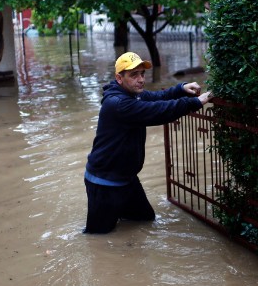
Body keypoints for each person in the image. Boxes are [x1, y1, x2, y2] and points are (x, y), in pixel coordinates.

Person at [83, 52, 213, 234]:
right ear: (119, 78)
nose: (141, 79)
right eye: (134, 75)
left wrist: (181, 88)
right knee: (98, 238)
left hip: (127, 179)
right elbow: (158, 111)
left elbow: (156, 98)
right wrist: (194, 102)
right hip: (105, 183)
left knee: (145, 220)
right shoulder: (118, 103)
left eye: (142, 74)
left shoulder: (133, 95)